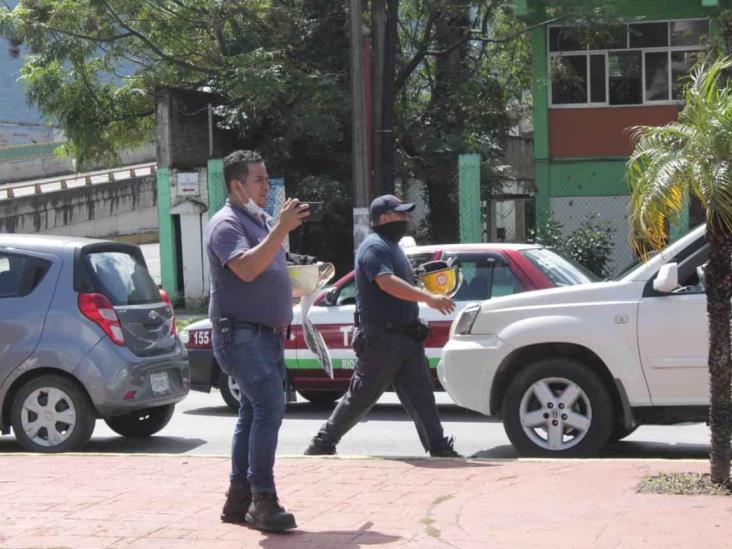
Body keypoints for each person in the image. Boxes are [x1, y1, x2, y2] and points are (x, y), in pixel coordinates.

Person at [304, 194, 462, 458]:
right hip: (383, 338)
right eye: (401, 214)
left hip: (406, 336)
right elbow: (386, 282)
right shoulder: (374, 247)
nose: (406, 219)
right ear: (384, 218)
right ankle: (322, 442)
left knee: (421, 396)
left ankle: (438, 446)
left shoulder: (392, 246)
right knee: (361, 397)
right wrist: (429, 298)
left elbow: (399, 284)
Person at [204, 150, 309, 532]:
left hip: (264, 335)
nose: (267, 186)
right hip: (241, 335)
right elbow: (246, 268)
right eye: (259, 180)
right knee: (268, 405)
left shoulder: (257, 222)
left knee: (252, 412)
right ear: (237, 185)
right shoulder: (225, 224)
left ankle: (239, 497)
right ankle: (262, 499)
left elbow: (265, 268)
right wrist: (281, 229)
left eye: (266, 178)